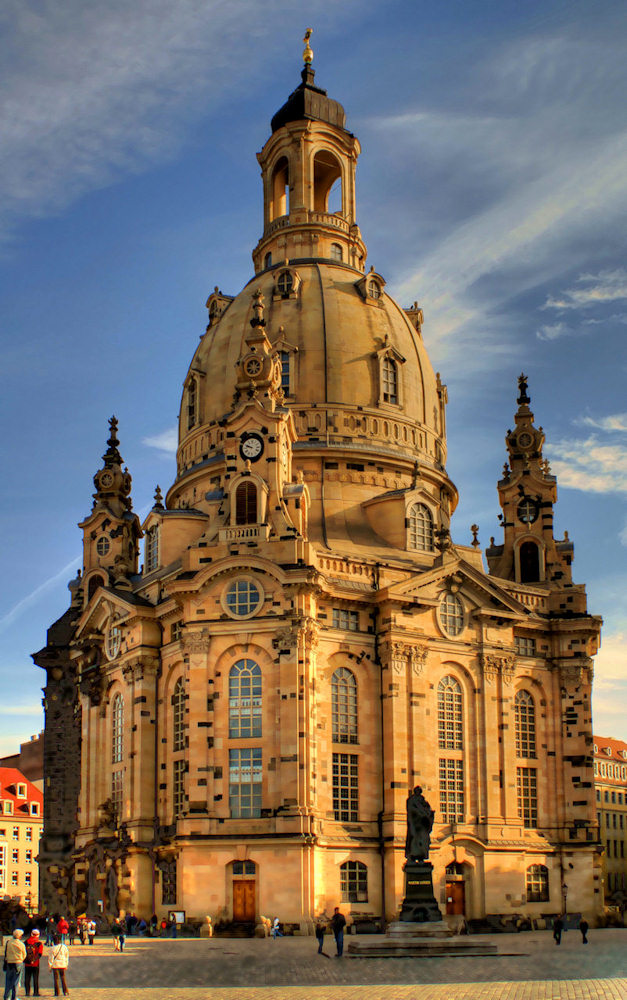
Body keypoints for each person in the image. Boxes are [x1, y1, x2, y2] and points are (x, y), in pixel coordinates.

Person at [3, 929, 26, 1000]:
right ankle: (14, 996)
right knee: (16, 981)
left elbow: (6, 952)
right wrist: (21, 959)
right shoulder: (21, 944)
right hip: (18, 962)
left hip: (9, 962)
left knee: (8, 980)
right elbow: (24, 954)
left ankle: (7, 996)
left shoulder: (9, 942)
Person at [24, 928, 43, 997]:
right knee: (35, 978)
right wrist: (34, 960)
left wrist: (27, 960)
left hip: (27, 963)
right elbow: (40, 954)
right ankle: (35, 992)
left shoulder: (26, 942)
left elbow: (23, 952)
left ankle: (27, 992)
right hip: (35, 963)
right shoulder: (39, 943)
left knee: (27, 978)